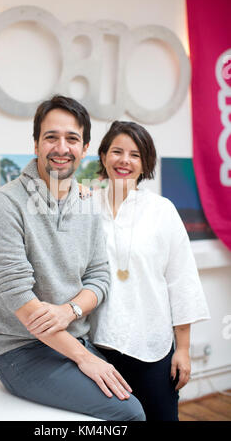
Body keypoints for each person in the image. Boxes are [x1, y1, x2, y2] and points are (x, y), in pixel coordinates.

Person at [0, 96, 145, 421]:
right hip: (22, 351)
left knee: (145, 393)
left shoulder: (87, 203)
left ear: (84, 148)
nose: (61, 147)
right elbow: (19, 296)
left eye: (71, 139)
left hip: (76, 338)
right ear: (36, 144)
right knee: (129, 414)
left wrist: (69, 311)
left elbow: (99, 277)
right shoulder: (5, 204)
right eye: (51, 137)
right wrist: (84, 358)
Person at [88, 120, 210, 421]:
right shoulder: (86, 207)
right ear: (103, 156)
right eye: (117, 151)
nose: (124, 161)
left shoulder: (162, 210)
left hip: (151, 347)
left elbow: (181, 280)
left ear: (145, 163)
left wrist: (183, 349)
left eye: (134, 154)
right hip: (98, 347)